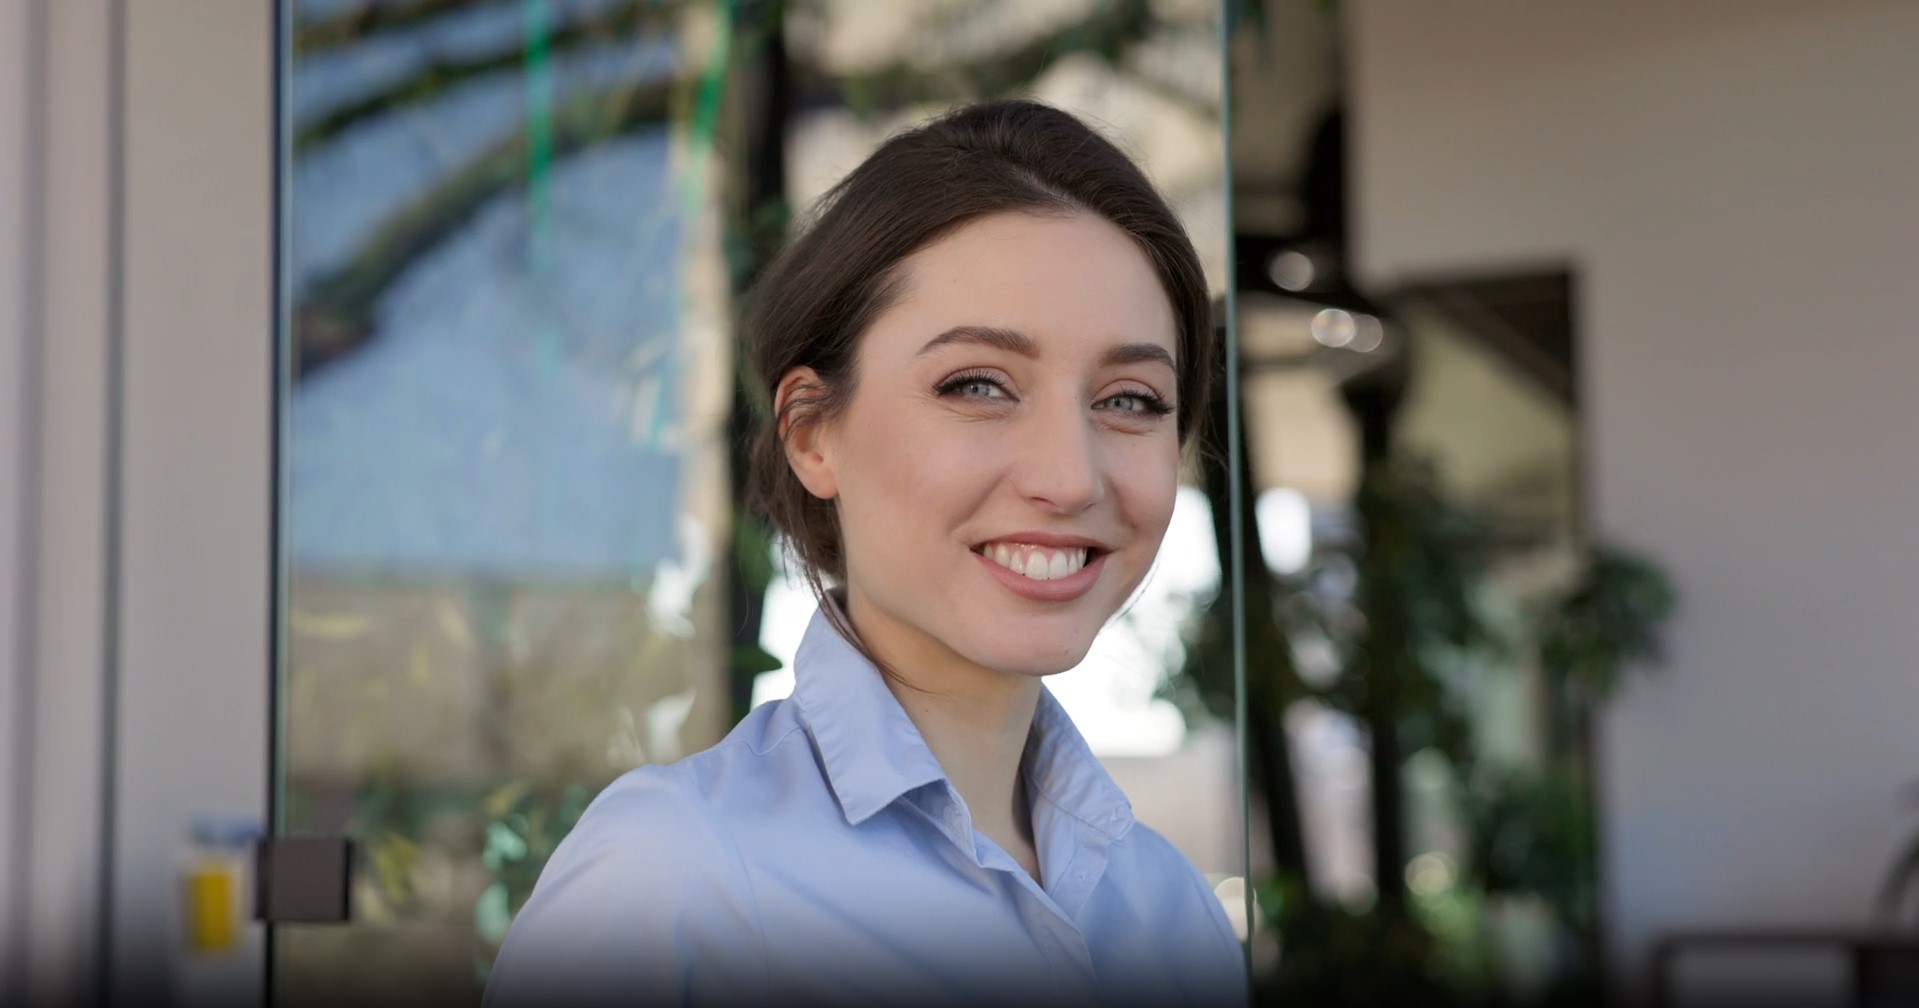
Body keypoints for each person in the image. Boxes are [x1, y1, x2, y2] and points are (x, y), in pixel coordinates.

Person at [484, 98, 1247, 1008]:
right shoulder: (674, 883)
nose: (1069, 476)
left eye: (1130, 399)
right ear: (812, 433)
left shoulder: (1169, 916)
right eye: (977, 385)